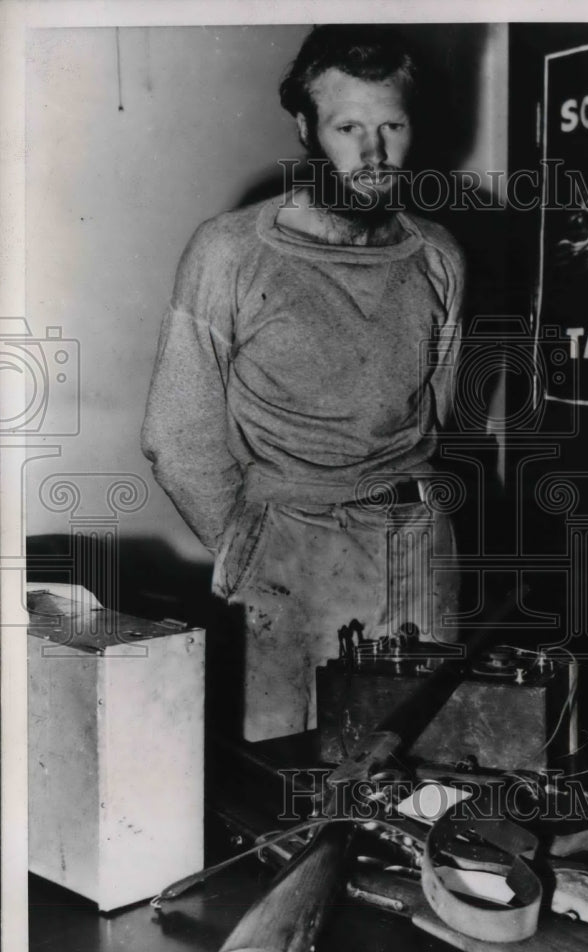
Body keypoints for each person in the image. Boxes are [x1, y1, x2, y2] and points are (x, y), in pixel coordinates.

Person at [141, 25, 465, 741]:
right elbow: (175, 436)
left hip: (417, 549)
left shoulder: (438, 255)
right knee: (292, 778)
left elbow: (440, 411)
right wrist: (251, 544)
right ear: (306, 128)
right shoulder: (229, 250)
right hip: (290, 553)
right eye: (348, 126)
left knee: (427, 775)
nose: (373, 153)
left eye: (392, 125)